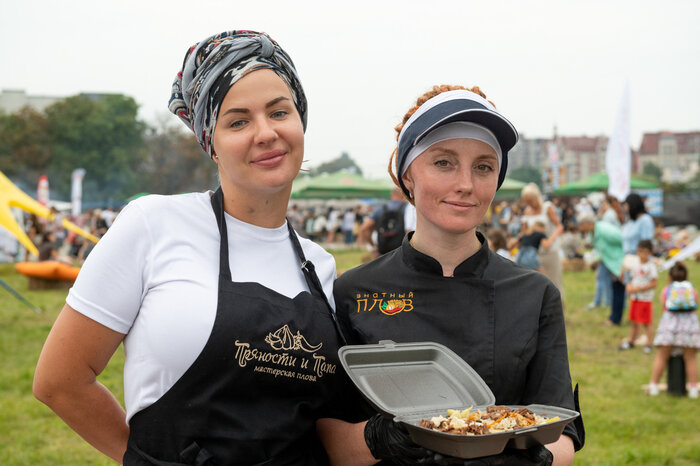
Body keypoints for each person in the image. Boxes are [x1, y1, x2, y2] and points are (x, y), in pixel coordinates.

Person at [33, 30, 350, 465]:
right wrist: (146, 458)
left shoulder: (320, 266)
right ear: (211, 144)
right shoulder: (153, 225)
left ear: (300, 122)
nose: (266, 133)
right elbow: (60, 380)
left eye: (280, 112)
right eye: (238, 121)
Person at [324, 85, 584, 465]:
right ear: (407, 175)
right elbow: (331, 442)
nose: (465, 184)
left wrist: (529, 459)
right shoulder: (352, 291)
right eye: (444, 162)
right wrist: (379, 438)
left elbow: (562, 436)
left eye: (483, 167)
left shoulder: (535, 294)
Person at [647, 262, 699, 398]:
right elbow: (695, 306)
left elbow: (664, 307)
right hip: (689, 327)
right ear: (686, 276)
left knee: (662, 356)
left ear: (670, 277)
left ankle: (653, 386)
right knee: (690, 358)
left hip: (669, 327)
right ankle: (693, 389)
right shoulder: (692, 290)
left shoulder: (667, 289)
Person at [577, 212, 625, 325]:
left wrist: (625, 262)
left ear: (589, 223)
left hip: (619, 263)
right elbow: (603, 249)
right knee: (616, 289)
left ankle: (615, 319)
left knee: (619, 290)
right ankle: (614, 317)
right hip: (611, 263)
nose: (580, 227)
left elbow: (623, 240)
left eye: (581, 224)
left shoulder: (605, 230)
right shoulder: (592, 233)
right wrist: (596, 260)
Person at [520, 183, 565, 298]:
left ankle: (560, 313)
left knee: (555, 284)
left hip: (550, 252)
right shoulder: (527, 211)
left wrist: (550, 240)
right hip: (534, 254)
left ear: (537, 196)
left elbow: (559, 226)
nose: (529, 203)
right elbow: (524, 232)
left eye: (530, 200)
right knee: (537, 287)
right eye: (526, 201)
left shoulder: (547, 207)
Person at [618, 240, 657, 353]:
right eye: (640, 252)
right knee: (633, 321)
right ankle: (631, 341)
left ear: (650, 253)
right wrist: (629, 286)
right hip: (635, 298)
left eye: (645, 252)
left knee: (646, 322)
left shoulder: (651, 267)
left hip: (645, 299)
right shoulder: (635, 265)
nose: (642, 255)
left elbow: (654, 284)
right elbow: (632, 279)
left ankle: (649, 344)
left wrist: (638, 289)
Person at [358, 187, 416, 256]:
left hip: (384, 250)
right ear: (403, 195)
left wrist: (373, 246)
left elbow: (364, 228)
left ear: (392, 195)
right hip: (402, 249)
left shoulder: (381, 209)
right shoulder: (408, 208)